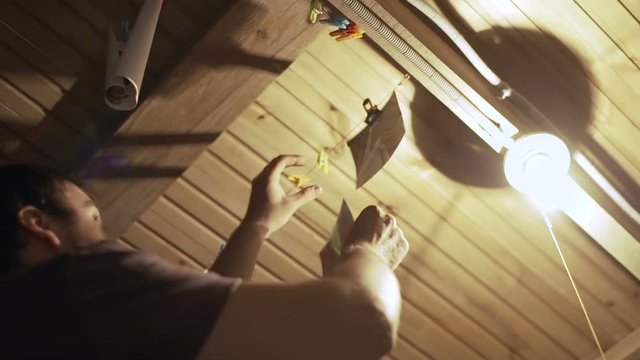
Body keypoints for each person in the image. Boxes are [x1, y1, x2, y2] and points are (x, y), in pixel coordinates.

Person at [0, 154, 409, 359]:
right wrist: (370, 252)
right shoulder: (82, 284)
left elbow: (203, 328)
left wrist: (257, 226)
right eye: (94, 218)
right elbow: (364, 319)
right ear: (37, 222)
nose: (105, 236)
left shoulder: (37, 319)